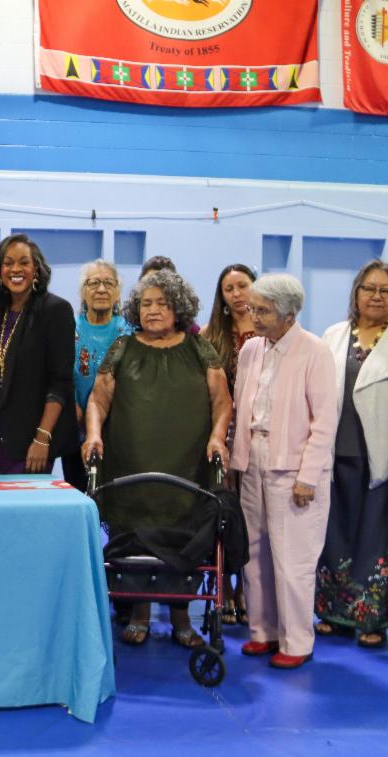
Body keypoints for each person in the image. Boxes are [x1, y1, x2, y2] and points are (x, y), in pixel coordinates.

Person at [82, 270, 231, 648]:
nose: (152, 310)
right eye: (146, 303)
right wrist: (94, 433)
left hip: (186, 465)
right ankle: (140, 614)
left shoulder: (200, 349)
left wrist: (217, 438)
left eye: (162, 303)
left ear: (178, 307)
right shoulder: (123, 348)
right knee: (133, 535)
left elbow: (222, 402)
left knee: (183, 537)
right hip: (131, 462)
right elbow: (98, 399)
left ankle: (182, 619)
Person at [232, 274, 337, 669]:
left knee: (293, 558)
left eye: (262, 310)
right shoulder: (250, 349)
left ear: (289, 314)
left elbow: (325, 422)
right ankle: (263, 632)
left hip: (293, 469)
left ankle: (297, 641)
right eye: (252, 307)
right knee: (254, 554)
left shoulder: (316, 351)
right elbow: (244, 407)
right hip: (253, 459)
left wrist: (308, 476)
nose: (252, 315)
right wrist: (236, 459)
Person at [315, 261, 388, 647]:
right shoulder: (333, 334)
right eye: (368, 289)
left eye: (385, 290)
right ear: (356, 293)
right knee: (335, 537)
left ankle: (372, 619)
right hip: (335, 456)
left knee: (377, 539)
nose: (376, 296)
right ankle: (334, 614)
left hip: (384, 459)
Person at [0, 234, 77, 474]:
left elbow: (61, 381)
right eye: (8, 262)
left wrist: (42, 438)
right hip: (0, 438)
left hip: (34, 440)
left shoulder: (55, 310)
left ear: (36, 270)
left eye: (24, 262)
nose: (16, 269)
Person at [202, 263, 258, 625]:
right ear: (221, 297)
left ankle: (245, 591)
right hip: (221, 436)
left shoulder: (271, 331)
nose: (237, 294)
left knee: (252, 519)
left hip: (257, 436)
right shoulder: (210, 336)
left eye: (243, 286)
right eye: (229, 289)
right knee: (222, 514)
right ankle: (221, 588)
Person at [68, 259, 133, 492]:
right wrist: (72, 404)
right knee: (77, 492)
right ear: (82, 292)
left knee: (112, 495)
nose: (102, 289)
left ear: (118, 292)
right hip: (74, 428)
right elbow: (60, 373)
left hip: (116, 430)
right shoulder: (68, 328)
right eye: (93, 283)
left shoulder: (129, 331)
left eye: (108, 283)